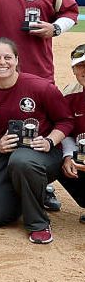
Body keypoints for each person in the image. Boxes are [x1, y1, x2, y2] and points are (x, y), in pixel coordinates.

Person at [0, 38, 72, 244]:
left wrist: (50, 141)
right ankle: (31, 192)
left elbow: (65, 121)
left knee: (22, 160)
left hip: (41, 153)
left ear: (16, 60)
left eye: (8, 57)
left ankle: (38, 224)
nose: (2, 62)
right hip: (2, 155)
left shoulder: (40, 87)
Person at [59, 44, 85, 223]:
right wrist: (68, 156)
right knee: (54, 157)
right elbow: (64, 129)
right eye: (80, 66)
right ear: (73, 70)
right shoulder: (69, 94)